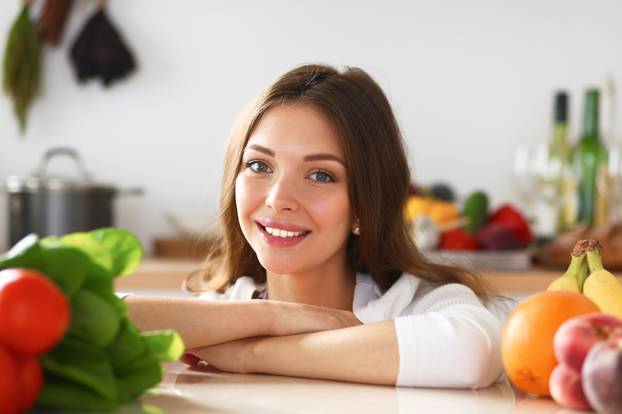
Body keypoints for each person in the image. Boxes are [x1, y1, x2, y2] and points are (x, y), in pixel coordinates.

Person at [124, 63, 508, 388]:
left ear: (363, 205)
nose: (278, 198)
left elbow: (474, 351)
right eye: (259, 166)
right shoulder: (224, 308)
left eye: (320, 175)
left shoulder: (417, 304)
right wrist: (274, 316)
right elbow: (88, 321)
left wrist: (251, 353)